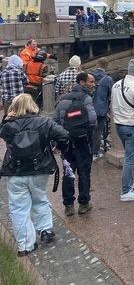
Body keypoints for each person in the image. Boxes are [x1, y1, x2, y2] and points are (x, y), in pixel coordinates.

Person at [0, 94, 70, 256]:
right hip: (39, 168)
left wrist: (5, 120)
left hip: (16, 171)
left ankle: (25, 245)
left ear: (14, 108)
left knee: (19, 208)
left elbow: (1, 133)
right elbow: (64, 135)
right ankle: (45, 229)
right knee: (40, 198)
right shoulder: (43, 122)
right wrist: (58, 148)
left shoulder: (9, 126)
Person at [52, 72, 97, 216]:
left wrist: (62, 137)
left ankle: (69, 206)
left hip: (66, 143)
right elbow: (93, 120)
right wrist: (87, 133)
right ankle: (84, 203)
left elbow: (55, 122)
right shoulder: (86, 98)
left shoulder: (63, 99)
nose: (93, 84)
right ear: (82, 82)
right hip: (83, 142)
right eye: (91, 81)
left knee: (68, 173)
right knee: (84, 172)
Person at [111, 59, 134, 202]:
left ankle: (130, 184)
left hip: (119, 126)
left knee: (128, 156)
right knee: (129, 159)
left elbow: (113, 105)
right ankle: (126, 191)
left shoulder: (116, 85)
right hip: (132, 127)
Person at [89, 58, 114, 161]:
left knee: (88, 131)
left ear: (96, 65)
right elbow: (111, 94)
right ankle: (94, 153)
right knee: (97, 132)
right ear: (107, 67)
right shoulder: (108, 79)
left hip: (88, 107)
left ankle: (86, 150)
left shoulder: (89, 76)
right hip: (100, 109)